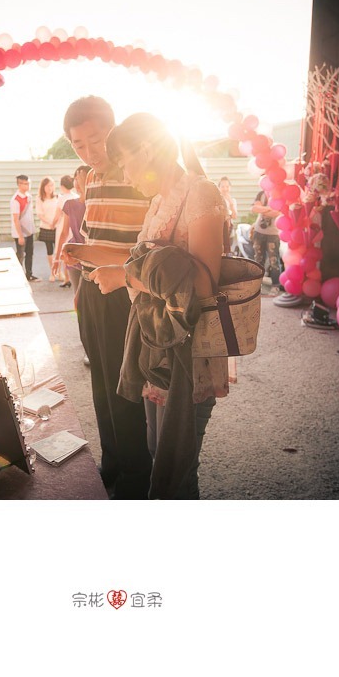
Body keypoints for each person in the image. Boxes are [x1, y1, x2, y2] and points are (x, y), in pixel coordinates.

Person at [89, 113, 229, 499]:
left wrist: (126, 278)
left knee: (176, 465)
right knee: (157, 449)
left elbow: (203, 286)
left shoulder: (200, 194)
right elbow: (154, 268)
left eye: (124, 163)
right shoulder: (159, 202)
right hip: (158, 344)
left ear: (147, 150)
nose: (125, 175)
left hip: (190, 350)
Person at [58, 96, 153, 499]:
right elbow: (96, 236)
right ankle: (112, 463)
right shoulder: (92, 178)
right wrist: (81, 258)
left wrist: (89, 252)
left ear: (114, 132)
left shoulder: (137, 174)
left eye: (96, 140)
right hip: (93, 289)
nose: (89, 151)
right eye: (78, 144)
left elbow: (145, 251)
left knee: (125, 387)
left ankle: (135, 478)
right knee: (100, 381)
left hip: (123, 293)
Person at [53, 166, 88, 295]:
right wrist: (57, 258)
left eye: (82, 179)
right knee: (77, 296)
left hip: (93, 257)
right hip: (74, 255)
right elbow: (64, 233)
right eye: (76, 179)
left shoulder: (95, 204)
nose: (78, 183)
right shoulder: (69, 204)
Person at [251, 190, 282, 291]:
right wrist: (269, 208)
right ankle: (257, 286)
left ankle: (275, 286)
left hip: (273, 233)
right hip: (259, 231)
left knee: (274, 261)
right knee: (258, 260)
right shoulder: (261, 193)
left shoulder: (280, 194)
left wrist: (262, 209)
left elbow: (277, 212)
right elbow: (255, 208)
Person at [10, 175, 39, 281]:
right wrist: (20, 236)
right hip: (20, 233)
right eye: (26, 184)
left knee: (30, 254)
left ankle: (29, 274)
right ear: (19, 184)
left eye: (29, 183)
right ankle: (18, 277)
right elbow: (16, 219)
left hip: (29, 231)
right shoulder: (16, 199)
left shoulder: (29, 197)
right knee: (20, 255)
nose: (28, 185)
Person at [52, 174, 76, 287]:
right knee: (72, 251)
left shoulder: (62, 198)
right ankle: (72, 276)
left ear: (62, 186)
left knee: (63, 250)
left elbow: (57, 216)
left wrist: (52, 224)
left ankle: (67, 278)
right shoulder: (76, 196)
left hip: (63, 226)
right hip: (74, 227)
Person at [35, 177, 59, 280]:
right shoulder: (39, 199)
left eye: (52, 185)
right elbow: (40, 214)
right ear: (43, 187)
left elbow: (60, 212)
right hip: (46, 227)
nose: (50, 188)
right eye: (48, 185)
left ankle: (59, 272)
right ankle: (52, 273)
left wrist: (55, 223)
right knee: (50, 251)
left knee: (58, 251)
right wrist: (50, 223)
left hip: (57, 227)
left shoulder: (58, 197)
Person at [218, 176, 238, 254]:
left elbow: (234, 216)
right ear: (219, 188)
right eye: (222, 186)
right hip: (218, 231)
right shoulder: (217, 200)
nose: (225, 189)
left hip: (229, 232)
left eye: (227, 186)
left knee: (227, 253)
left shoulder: (233, 201)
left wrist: (230, 203)